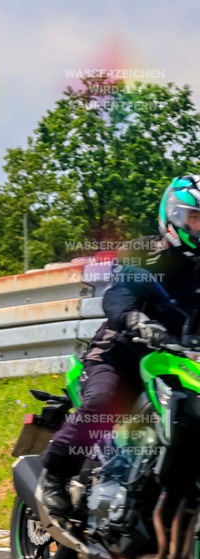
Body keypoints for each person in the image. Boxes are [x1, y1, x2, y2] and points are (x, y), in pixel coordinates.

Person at [40, 175, 200, 516]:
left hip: (179, 361)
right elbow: (117, 297)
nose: (199, 227)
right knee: (104, 404)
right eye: (195, 218)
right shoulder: (144, 254)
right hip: (122, 353)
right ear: (172, 216)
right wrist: (136, 320)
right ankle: (54, 476)